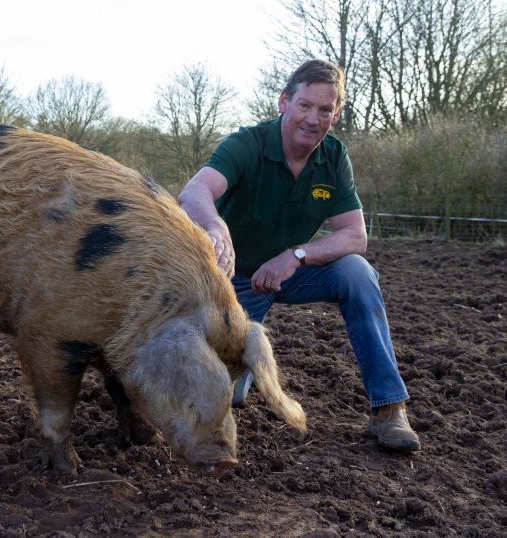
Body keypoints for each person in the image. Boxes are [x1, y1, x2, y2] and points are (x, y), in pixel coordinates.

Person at [177, 59, 420, 452]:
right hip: (235, 280)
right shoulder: (247, 144)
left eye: (325, 110)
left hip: (291, 272)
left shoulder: (333, 157)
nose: (313, 118)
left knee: (357, 273)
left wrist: (297, 255)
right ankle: (243, 366)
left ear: (335, 115)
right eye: (305, 105)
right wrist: (216, 226)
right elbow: (193, 192)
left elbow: (355, 236)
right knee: (230, 394)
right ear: (283, 101)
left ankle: (389, 408)